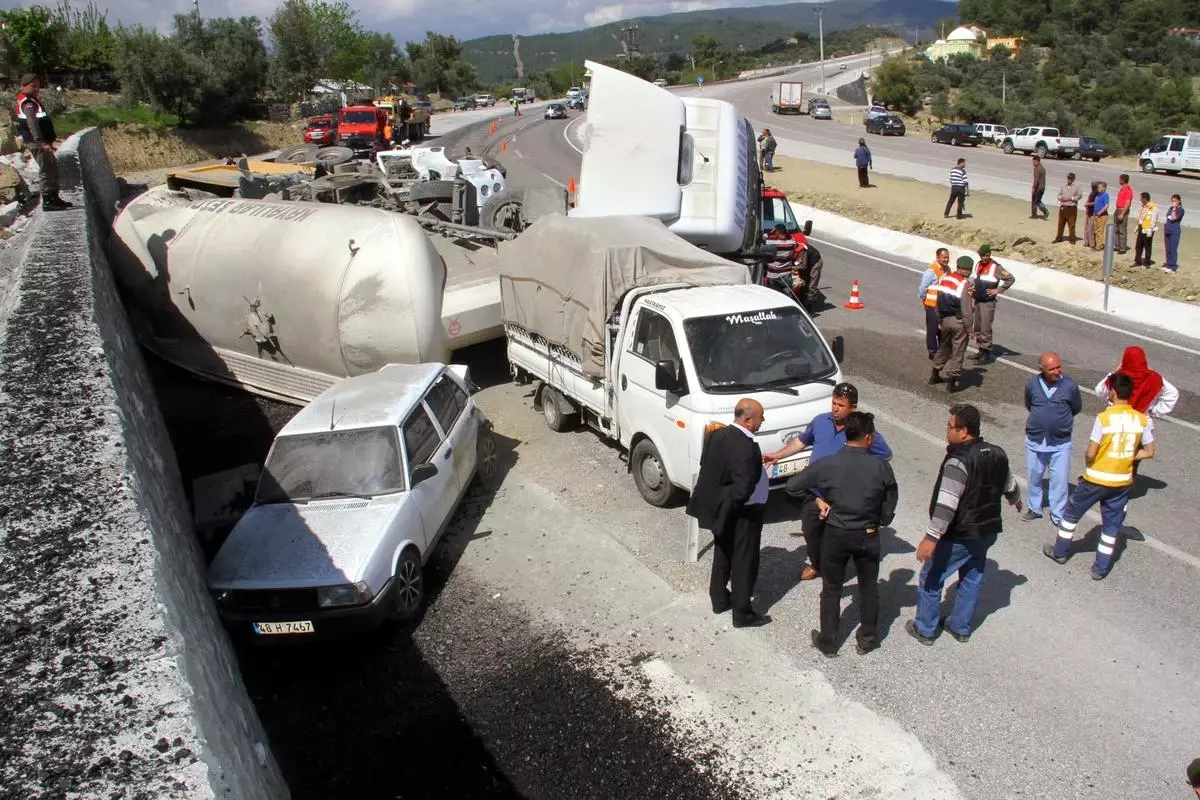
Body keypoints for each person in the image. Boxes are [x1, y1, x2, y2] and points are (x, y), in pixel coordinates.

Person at [785, 412, 898, 657]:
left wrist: (818, 500)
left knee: (832, 588)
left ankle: (828, 641)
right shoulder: (881, 466)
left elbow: (793, 486)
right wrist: (881, 520)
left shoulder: (828, 464)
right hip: (868, 534)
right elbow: (890, 500)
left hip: (836, 534)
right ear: (868, 437)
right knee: (868, 587)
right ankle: (867, 638)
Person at [908, 404, 1022, 645]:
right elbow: (1009, 483)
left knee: (931, 576)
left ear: (964, 432)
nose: (947, 431)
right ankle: (960, 626)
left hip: (960, 533)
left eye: (950, 427)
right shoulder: (997, 453)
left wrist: (931, 538)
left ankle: (925, 629)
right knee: (972, 575)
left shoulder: (958, 461)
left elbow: (946, 505)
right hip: (988, 531)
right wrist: (1015, 499)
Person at [772, 383, 892, 582]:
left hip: (841, 497)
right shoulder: (820, 421)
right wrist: (777, 455)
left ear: (853, 407)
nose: (836, 408)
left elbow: (885, 455)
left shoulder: (860, 430)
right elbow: (800, 442)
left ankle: (834, 572)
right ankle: (817, 564)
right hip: (815, 493)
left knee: (836, 537)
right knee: (810, 531)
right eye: (834, 403)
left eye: (841, 405)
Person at [1044, 373, 1154, 580]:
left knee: (1070, 516)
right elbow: (1149, 451)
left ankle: (1060, 552)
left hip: (1096, 478)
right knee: (1111, 527)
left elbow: (1091, 452)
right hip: (1122, 482)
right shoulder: (1142, 420)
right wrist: (1128, 455)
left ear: (1113, 393)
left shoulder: (1104, 418)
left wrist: (1089, 463)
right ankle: (1100, 569)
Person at [687, 399, 771, 628]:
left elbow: (708, 464)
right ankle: (743, 613)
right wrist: (735, 507)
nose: (762, 421)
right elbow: (743, 488)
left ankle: (719, 598)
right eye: (760, 417)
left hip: (721, 510)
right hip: (743, 513)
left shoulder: (718, 434)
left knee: (723, 553)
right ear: (747, 419)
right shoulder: (746, 446)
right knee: (744, 561)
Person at [1022, 352, 1083, 526]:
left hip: (1060, 442)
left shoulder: (1070, 386)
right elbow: (1029, 404)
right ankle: (1035, 508)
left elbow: (1076, 407)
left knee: (1060, 481)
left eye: (1058, 367)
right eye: (1052, 369)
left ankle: (1058, 514)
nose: (1057, 371)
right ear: (1042, 369)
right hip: (1036, 439)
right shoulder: (1032, 385)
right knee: (1034, 476)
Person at [15, 74, 72, 211]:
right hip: (38, 143)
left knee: (52, 168)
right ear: (24, 86)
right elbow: (33, 125)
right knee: (46, 170)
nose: (37, 89)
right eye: (33, 86)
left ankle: (55, 198)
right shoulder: (28, 103)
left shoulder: (29, 99)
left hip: (42, 142)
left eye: (38, 86)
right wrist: (42, 142)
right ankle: (48, 201)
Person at [1093, 346, 1178, 420]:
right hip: (1142, 422)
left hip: (1116, 419)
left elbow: (1099, 391)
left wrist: (1115, 371)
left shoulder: (1119, 377)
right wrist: (1154, 412)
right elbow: (1172, 393)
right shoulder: (1155, 378)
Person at [929, 255, 975, 393]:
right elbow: (966, 309)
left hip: (944, 320)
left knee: (944, 347)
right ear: (964, 269)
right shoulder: (964, 284)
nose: (969, 273)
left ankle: (935, 374)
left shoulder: (944, 278)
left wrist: (939, 320)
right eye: (969, 270)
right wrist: (970, 329)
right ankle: (951, 382)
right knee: (958, 351)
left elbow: (936, 300)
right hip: (958, 321)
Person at [968, 244, 1015, 364]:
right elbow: (975, 278)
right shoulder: (978, 264)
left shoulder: (996, 267)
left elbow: (1010, 279)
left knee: (985, 327)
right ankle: (980, 349)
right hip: (978, 300)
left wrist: (998, 290)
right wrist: (972, 286)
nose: (985, 257)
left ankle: (986, 353)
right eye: (983, 255)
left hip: (988, 302)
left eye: (987, 255)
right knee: (977, 326)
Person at [917, 248, 951, 360]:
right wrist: (925, 302)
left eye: (947, 257)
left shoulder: (947, 270)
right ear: (938, 258)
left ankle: (942, 350)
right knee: (933, 329)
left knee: (942, 329)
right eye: (944, 257)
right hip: (932, 305)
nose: (946, 259)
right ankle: (932, 352)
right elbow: (922, 289)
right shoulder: (930, 272)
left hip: (943, 306)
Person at [1052, 171, 1081, 244]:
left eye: (1071, 178)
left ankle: (1072, 239)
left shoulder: (1077, 187)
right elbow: (1059, 195)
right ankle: (1059, 238)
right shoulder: (1063, 186)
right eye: (1068, 178)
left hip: (1071, 208)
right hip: (1063, 207)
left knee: (1071, 224)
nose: (1069, 179)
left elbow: (1080, 195)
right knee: (1060, 224)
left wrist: (1071, 198)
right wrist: (1061, 198)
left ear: (1073, 179)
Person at [1133, 192, 1158, 267]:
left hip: (1148, 229)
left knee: (1147, 246)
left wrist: (1151, 229)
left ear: (1145, 199)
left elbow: (1154, 219)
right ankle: (1137, 261)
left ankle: (1147, 262)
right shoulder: (1143, 207)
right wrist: (1138, 226)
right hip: (1141, 227)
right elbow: (1141, 217)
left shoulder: (1153, 207)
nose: (1140, 200)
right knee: (1138, 246)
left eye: (1141, 198)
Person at [1162, 194, 1184, 274]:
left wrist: (1174, 208)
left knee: (1173, 249)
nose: (1173, 202)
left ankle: (1172, 266)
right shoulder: (1170, 208)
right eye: (1172, 201)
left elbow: (1174, 217)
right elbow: (1168, 216)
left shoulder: (1180, 210)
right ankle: (1168, 264)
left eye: (1175, 201)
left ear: (1179, 201)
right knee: (1168, 248)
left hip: (1174, 231)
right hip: (1168, 229)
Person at [1113, 173, 1133, 254]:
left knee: (1122, 230)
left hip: (1122, 210)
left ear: (1123, 180)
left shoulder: (1128, 190)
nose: (1118, 180)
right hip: (1118, 209)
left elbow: (1127, 202)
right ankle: (1117, 246)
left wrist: (1123, 213)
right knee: (1116, 229)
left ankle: (1122, 248)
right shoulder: (1122, 189)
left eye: (1120, 179)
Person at [1092, 181, 1110, 251]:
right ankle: (1099, 243)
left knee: (1100, 230)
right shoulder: (1098, 195)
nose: (1098, 188)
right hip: (1096, 214)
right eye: (1098, 187)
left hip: (1102, 215)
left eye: (1099, 187)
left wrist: (1100, 212)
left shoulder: (1105, 195)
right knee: (1097, 230)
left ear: (1104, 188)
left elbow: (1106, 205)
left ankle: (1099, 245)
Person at [1083, 181, 1100, 249]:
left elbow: (1096, 202)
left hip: (1093, 212)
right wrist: (1087, 203)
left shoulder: (1097, 194)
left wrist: (1088, 204)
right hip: (1088, 211)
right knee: (1086, 227)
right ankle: (1086, 242)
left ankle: (1092, 243)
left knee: (1091, 228)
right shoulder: (1092, 192)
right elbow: (1089, 200)